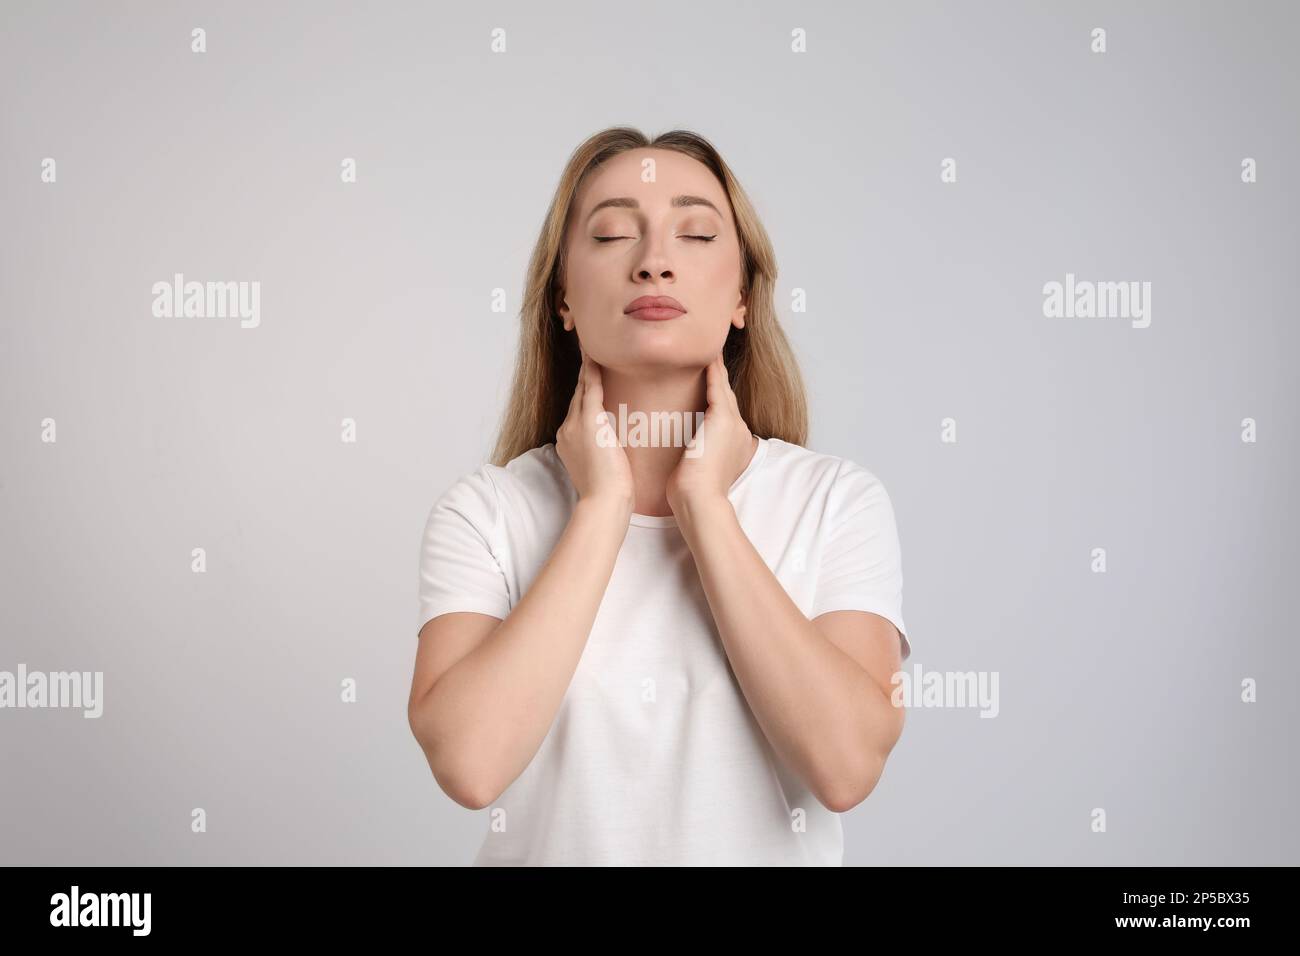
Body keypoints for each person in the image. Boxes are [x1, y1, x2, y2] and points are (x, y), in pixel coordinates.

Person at [408, 127, 911, 866]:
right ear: (564, 300)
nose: (654, 262)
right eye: (612, 234)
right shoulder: (485, 513)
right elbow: (470, 765)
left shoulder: (837, 502)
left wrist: (705, 508)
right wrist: (600, 510)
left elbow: (845, 767)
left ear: (742, 296)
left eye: (697, 232)